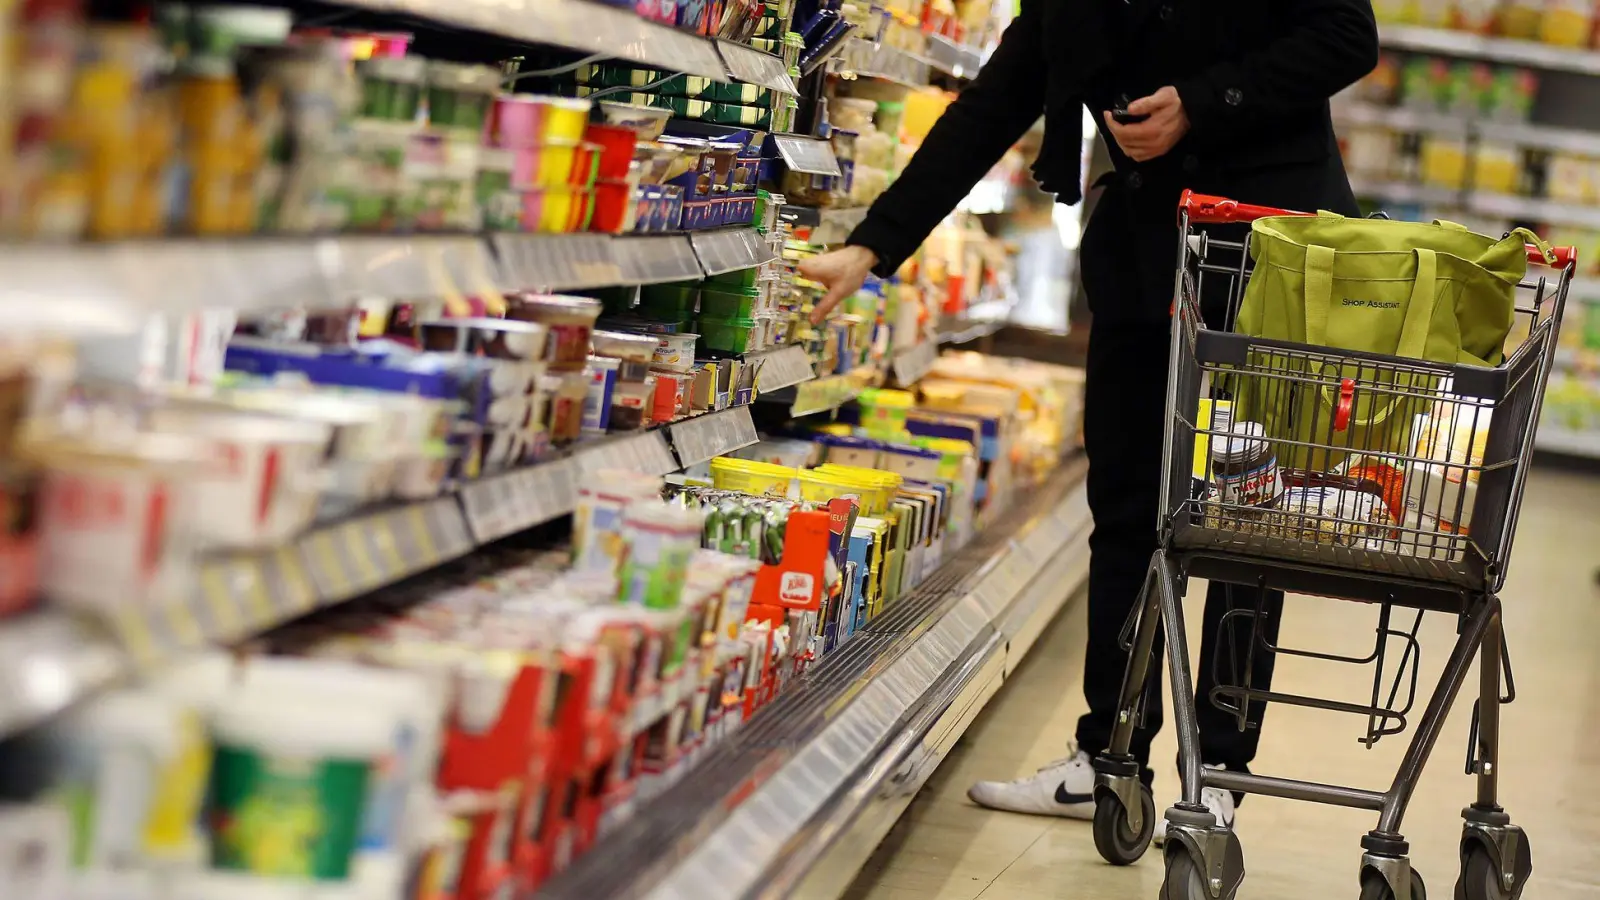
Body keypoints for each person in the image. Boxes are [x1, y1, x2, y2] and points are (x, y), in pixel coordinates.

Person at [798, 0, 1380, 841]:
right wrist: (874, 244)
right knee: (1126, 511)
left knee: (1245, 523)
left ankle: (1219, 773)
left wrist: (1201, 101)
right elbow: (996, 102)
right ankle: (1108, 757)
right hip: (1145, 257)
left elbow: (1346, 36)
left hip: (1270, 261)